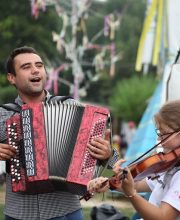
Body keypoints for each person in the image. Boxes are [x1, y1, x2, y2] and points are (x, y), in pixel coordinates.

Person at [0, 46, 119, 220]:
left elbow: (114, 166)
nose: (35, 70)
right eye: (26, 67)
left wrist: (107, 154)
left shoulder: (74, 109)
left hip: (66, 212)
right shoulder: (4, 114)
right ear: (12, 78)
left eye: (39, 65)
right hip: (19, 213)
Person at [88, 99, 180, 220]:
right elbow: (137, 184)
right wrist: (111, 183)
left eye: (164, 134)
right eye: (159, 134)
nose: (159, 140)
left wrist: (131, 194)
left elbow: (163, 217)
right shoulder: (173, 165)